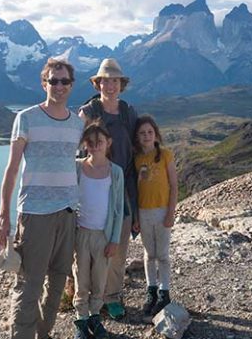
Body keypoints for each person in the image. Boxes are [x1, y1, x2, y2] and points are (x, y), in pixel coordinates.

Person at [0, 58, 84, 339]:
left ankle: (43, 333)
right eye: (53, 80)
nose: (59, 86)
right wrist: (2, 215)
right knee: (30, 283)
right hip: (35, 213)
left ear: (71, 85)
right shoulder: (26, 118)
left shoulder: (76, 124)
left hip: (68, 211)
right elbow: (11, 169)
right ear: (44, 82)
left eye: (64, 81)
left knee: (58, 280)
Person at [78, 58, 138, 320]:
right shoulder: (89, 111)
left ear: (121, 85)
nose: (110, 85)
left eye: (115, 81)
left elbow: (134, 155)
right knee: (90, 244)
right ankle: (89, 297)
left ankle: (112, 297)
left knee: (118, 245)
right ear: (98, 83)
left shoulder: (128, 113)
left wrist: (135, 205)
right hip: (93, 182)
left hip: (120, 184)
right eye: (105, 80)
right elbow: (74, 143)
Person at [72, 121, 124, 339]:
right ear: (85, 145)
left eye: (99, 142)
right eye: (91, 143)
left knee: (99, 279)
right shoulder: (77, 167)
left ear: (108, 143)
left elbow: (119, 209)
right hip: (81, 233)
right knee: (81, 278)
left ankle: (95, 316)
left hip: (103, 235)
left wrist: (114, 240)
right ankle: (81, 320)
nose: (95, 147)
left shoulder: (115, 172)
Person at [133, 115, 178, 316]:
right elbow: (134, 189)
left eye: (149, 132)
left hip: (162, 211)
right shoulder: (136, 159)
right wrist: (135, 217)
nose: (146, 136)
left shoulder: (166, 155)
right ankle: (151, 290)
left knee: (163, 254)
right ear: (137, 136)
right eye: (142, 133)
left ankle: (165, 292)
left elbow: (174, 185)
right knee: (149, 254)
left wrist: (171, 212)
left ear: (156, 134)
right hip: (143, 211)